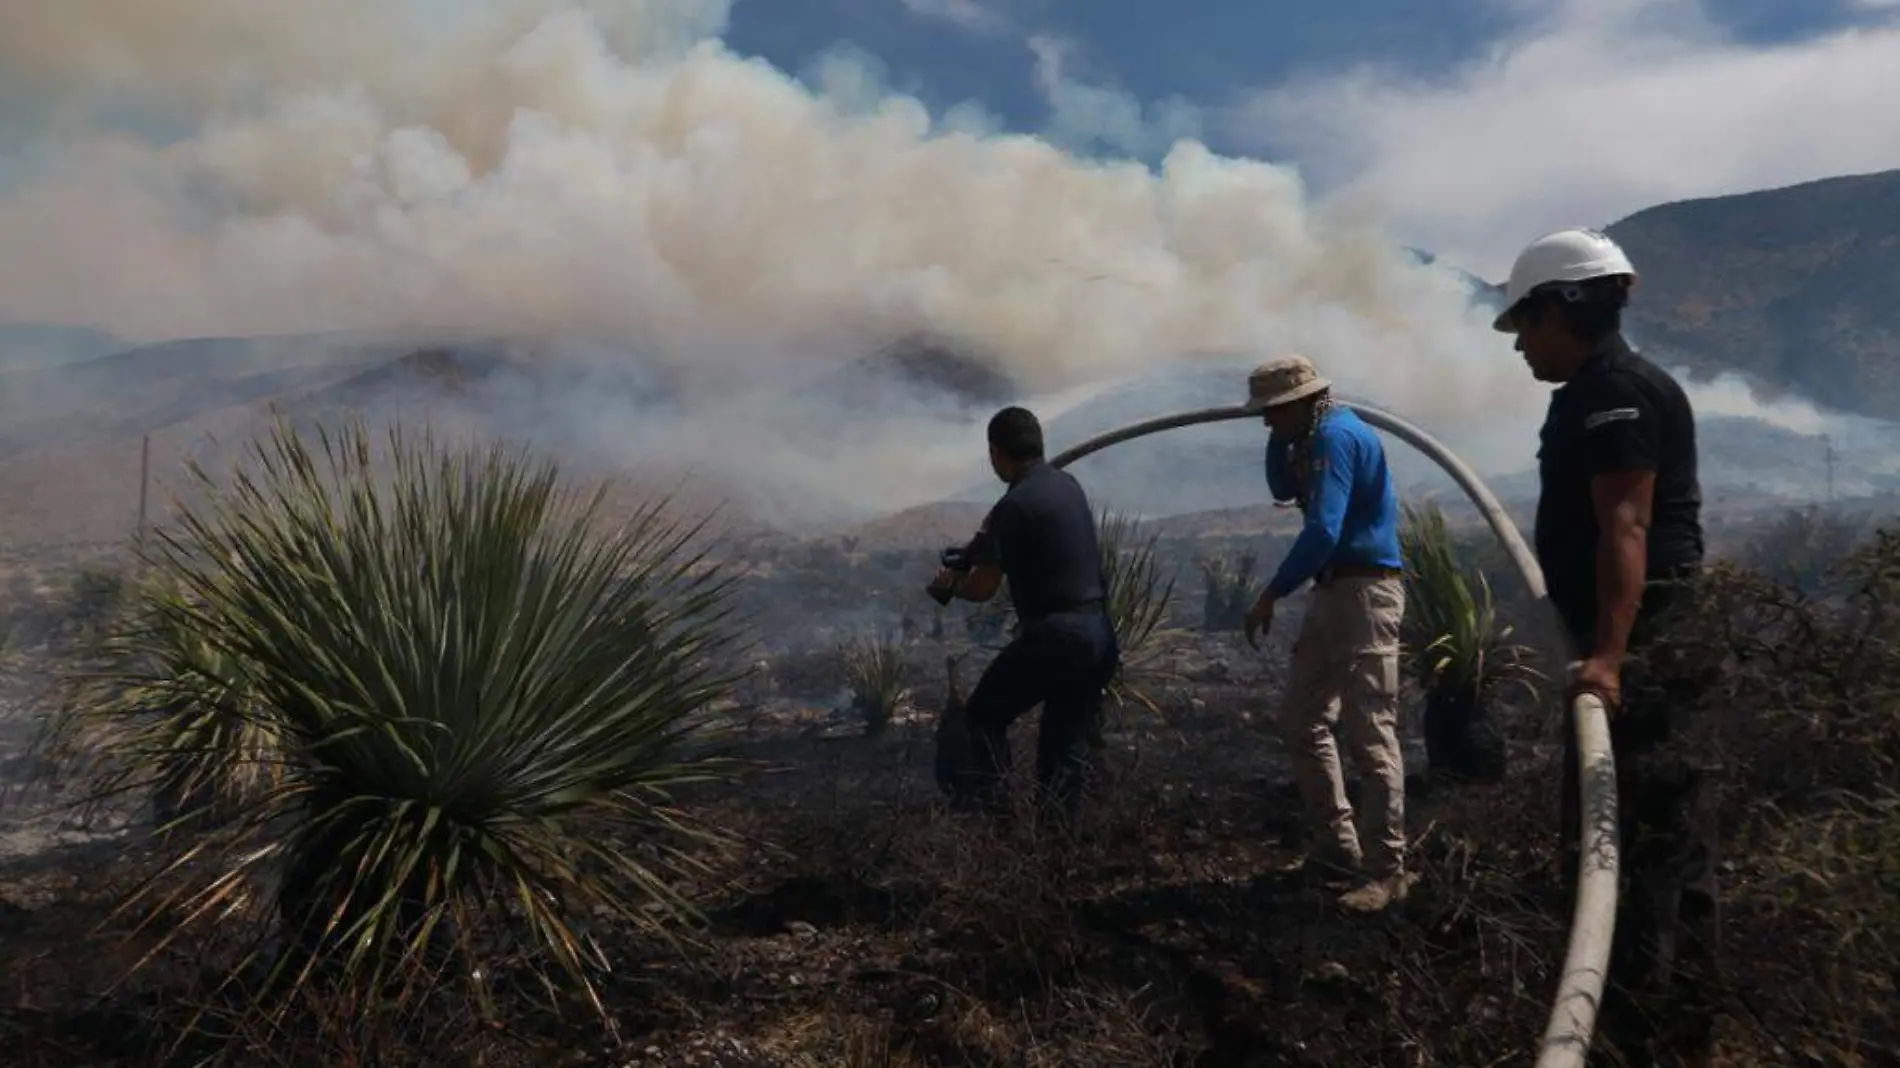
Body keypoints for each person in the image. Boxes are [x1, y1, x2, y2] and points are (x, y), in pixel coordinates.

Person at [1494, 227, 1718, 1065]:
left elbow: (1627, 525)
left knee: (1642, 849)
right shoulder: (1599, 388)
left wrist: (1612, 659)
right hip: (1639, 648)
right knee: (1659, 843)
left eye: (1527, 322)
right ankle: (1670, 1030)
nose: (1519, 343)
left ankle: (1640, 1037)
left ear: (1564, 307)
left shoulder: (1613, 392)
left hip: (1645, 651)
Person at [1244, 355, 1412, 914]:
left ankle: (1386, 870)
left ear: (1299, 404)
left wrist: (1272, 591)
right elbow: (1280, 486)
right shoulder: (1313, 436)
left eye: (1272, 414)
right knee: (1302, 718)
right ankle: (1337, 848)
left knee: (1371, 735)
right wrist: (1279, 439)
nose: (1267, 424)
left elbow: (1323, 528)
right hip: (1335, 591)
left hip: (1364, 594)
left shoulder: (1337, 438)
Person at [930, 406, 1120, 822]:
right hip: (1099, 634)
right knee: (1063, 748)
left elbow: (983, 589)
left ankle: (994, 823)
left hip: (1058, 635)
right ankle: (1057, 849)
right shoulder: (1066, 485)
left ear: (997, 453)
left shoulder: (1013, 507)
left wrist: (953, 585)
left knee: (982, 717)